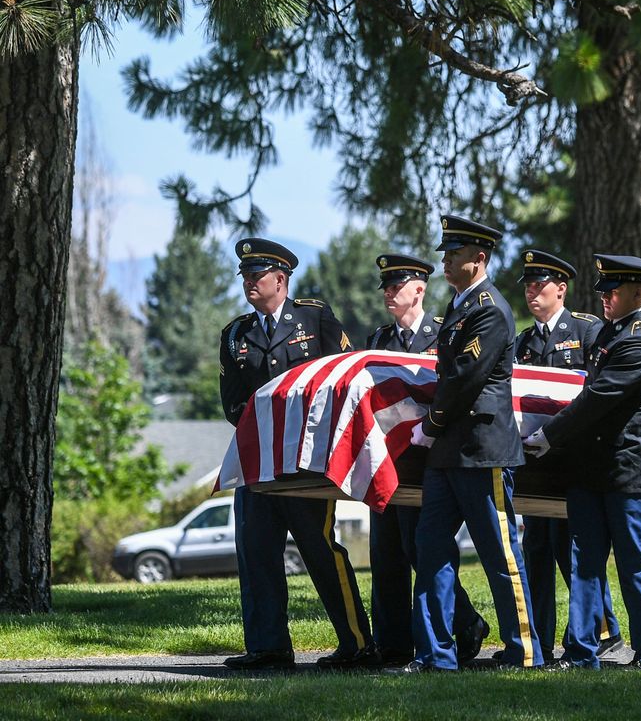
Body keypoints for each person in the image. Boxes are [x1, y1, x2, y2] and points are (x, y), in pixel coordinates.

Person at [219, 237, 376, 670]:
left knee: (320, 549)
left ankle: (358, 643)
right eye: (245, 276)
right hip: (260, 462)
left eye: (257, 275)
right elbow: (232, 402)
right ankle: (268, 648)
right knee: (256, 552)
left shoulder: (314, 317)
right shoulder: (235, 335)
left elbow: (345, 376)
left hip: (307, 462)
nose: (249, 282)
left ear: (281, 280)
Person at [405, 215, 541, 672]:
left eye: (455, 253)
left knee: (501, 555)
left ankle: (525, 650)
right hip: (450, 451)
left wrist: (430, 423)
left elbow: (465, 377)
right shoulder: (463, 306)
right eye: (446, 252)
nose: (446, 260)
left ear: (479, 258)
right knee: (431, 549)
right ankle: (435, 653)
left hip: (482, 450)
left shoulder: (489, 309)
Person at [526, 254, 641, 669]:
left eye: (613, 291)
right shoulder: (612, 331)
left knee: (634, 563)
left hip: (628, 471)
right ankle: (581, 651)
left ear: (638, 293)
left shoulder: (639, 340)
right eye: (603, 290)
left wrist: (548, 434)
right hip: (593, 470)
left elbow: (596, 399)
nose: (605, 297)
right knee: (583, 563)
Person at [364, 253, 489, 667]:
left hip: (427, 458)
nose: (388, 292)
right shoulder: (378, 341)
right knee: (385, 553)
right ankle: (392, 644)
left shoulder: (442, 334)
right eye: (385, 285)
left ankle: (465, 621)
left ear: (419, 288)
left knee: (421, 550)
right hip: (386, 461)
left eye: (396, 285)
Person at [512, 249, 624, 664]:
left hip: (574, 458)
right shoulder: (523, 342)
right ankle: (538, 641)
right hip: (538, 464)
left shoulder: (588, 331)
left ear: (561, 289)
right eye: (527, 284)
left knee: (575, 549)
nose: (531, 291)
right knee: (537, 548)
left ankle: (601, 629)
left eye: (539, 284)